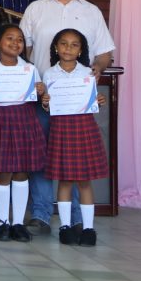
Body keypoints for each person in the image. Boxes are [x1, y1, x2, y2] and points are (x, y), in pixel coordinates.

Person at [20, 0, 115, 235]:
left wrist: (98, 68)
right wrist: (32, 80)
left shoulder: (91, 12)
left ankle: (75, 219)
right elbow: (24, 49)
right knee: (41, 156)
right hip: (43, 97)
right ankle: (40, 214)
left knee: (73, 160)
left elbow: (104, 52)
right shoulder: (36, 8)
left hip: (76, 105)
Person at [40, 29, 108, 246]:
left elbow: (91, 102)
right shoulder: (49, 74)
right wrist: (45, 103)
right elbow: (49, 105)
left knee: (85, 181)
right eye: (63, 43)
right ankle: (65, 227)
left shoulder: (88, 73)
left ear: (81, 50)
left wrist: (98, 100)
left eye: (74, 44)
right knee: (65, 180)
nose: (68, 48)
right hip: (61, 129)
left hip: (84, 128)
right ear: (56, 47)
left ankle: (88, 228)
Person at [0, 24, 46, 243]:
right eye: (10, 38)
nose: (15, 43)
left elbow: (38, 98)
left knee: (21, 173)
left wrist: (40, 92)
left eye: (20, 39)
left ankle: (18, 223)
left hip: (25, 119)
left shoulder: (30, 69)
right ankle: (3, 222)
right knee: (2, 172)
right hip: (0, 120)